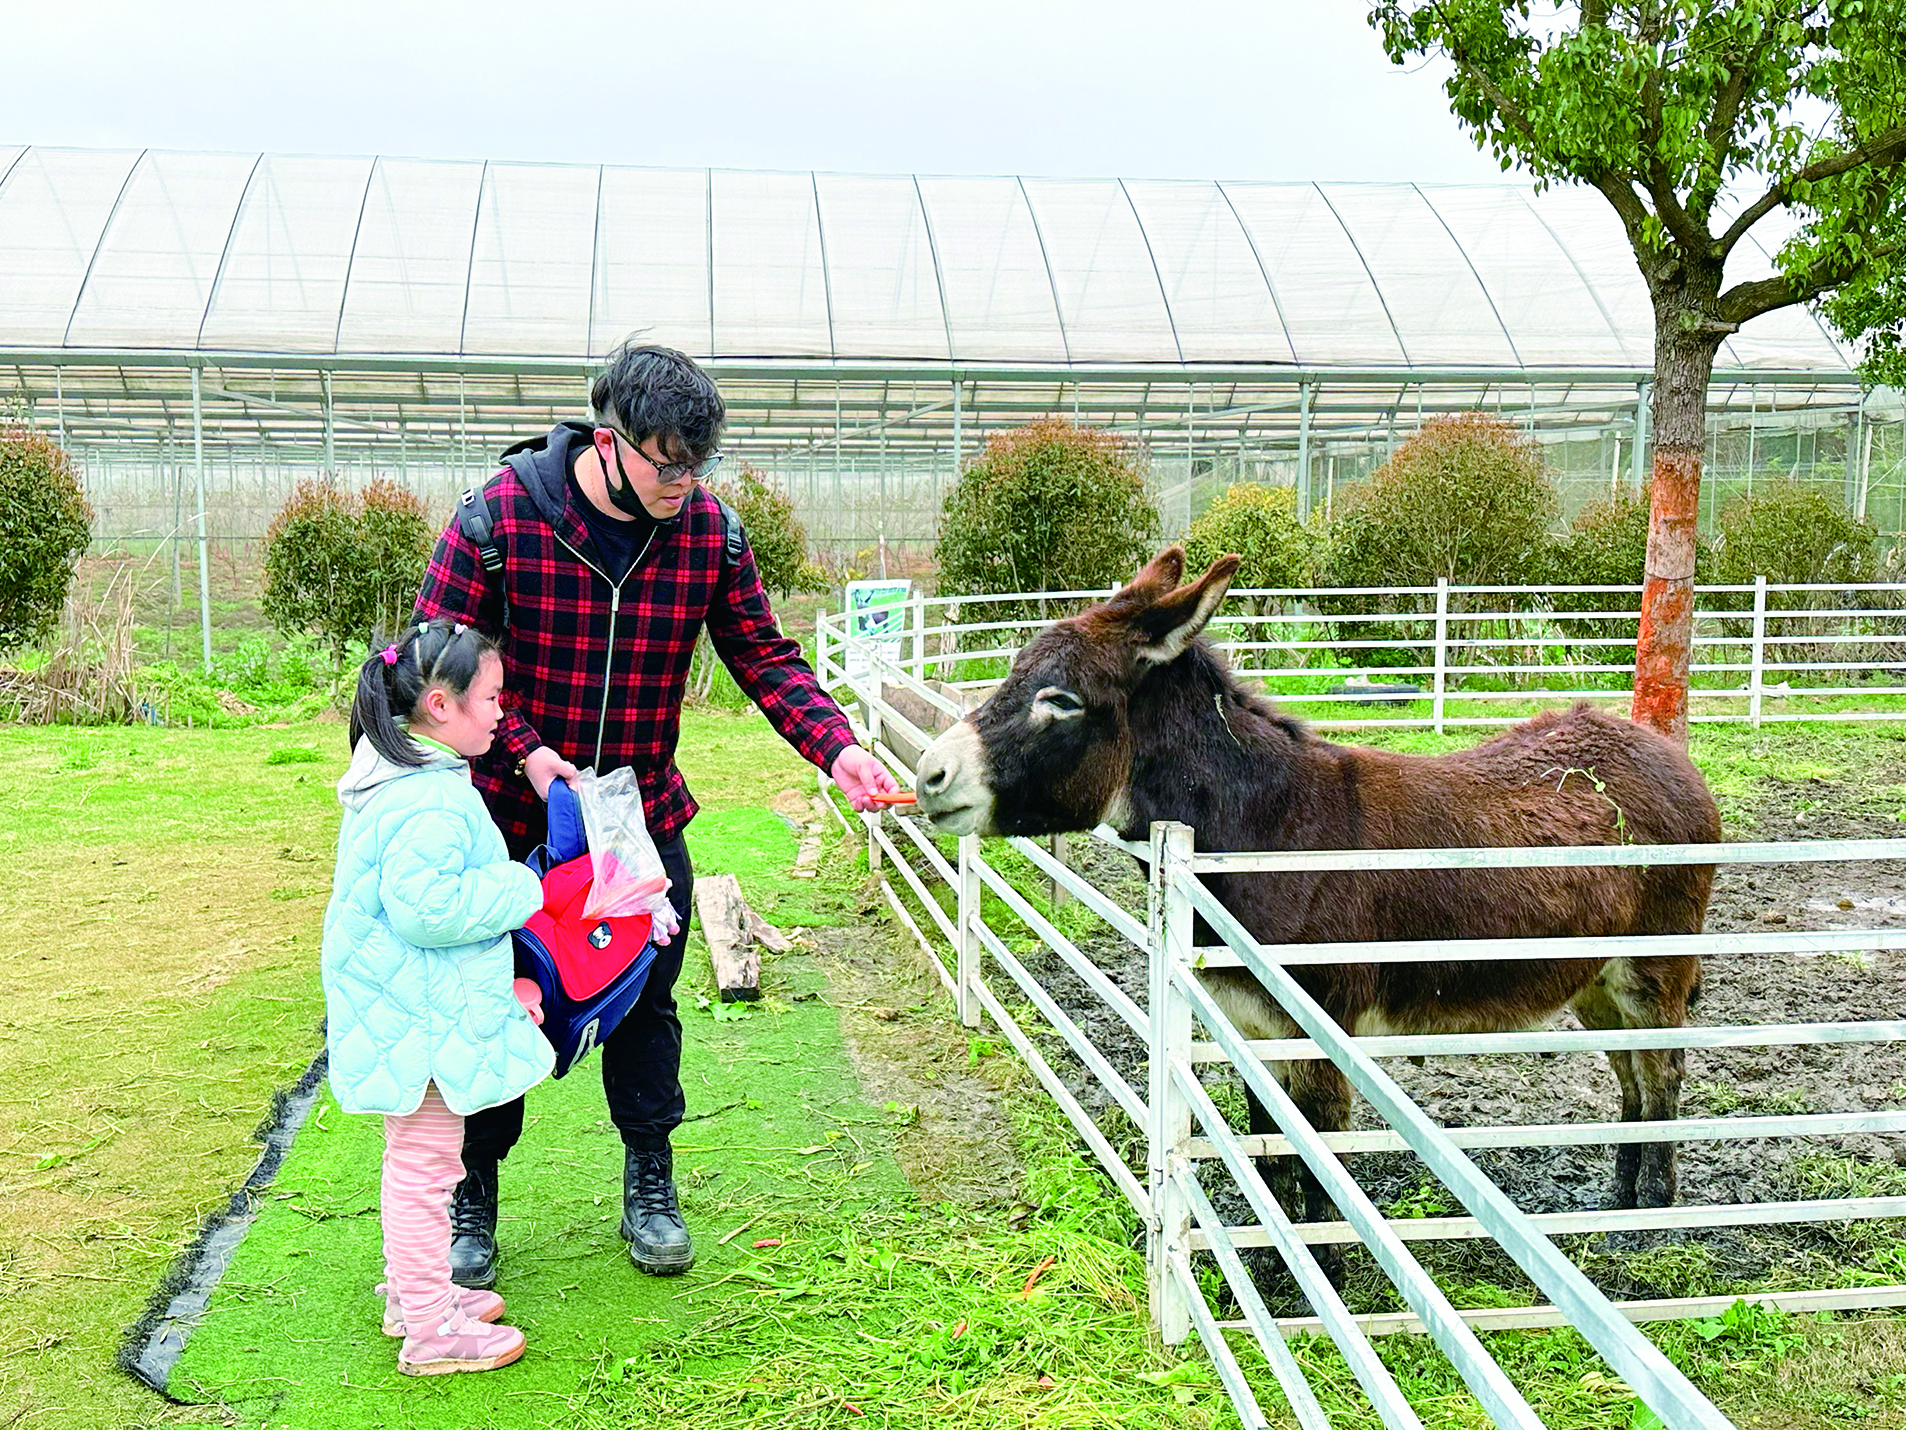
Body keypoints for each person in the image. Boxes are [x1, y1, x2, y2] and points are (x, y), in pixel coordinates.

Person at [413, 341, 897, 1285]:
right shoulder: (501, 519)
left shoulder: (710, 535)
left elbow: (765, 656)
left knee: (644, 1000)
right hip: (511, 815)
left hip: (638, 817)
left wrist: (837, 748)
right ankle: (472, 1192)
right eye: (667, 464)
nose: (685, 483)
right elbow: (432, 659)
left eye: (697, 465)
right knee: (489, 1003)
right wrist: (523, 752)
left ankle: (650, 1178)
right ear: (609, 441)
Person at [321, 618, 554, 1376]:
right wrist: (523, 886)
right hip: (414, 1021)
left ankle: (413, 1295)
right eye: (491, 697)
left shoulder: (407, 777)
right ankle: (430, 1329)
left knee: (417, 1162)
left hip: (405, 1007)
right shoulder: (427, 796)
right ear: (440, 703)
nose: (500, 712)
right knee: (425, 1171)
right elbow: (429, 909)